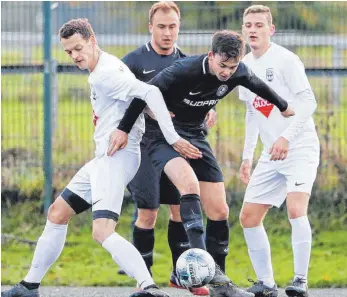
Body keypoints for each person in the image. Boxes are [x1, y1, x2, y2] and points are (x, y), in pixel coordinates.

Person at [1, 18, 202, 297]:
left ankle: (149, 287)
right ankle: (30, 286)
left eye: (79, 48)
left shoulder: (106, 73)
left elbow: (150, 91)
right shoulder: (105, 67)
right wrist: (150, 113)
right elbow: (137, 98)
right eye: (69, 52)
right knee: (57, 213)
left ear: (92, 40)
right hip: (102, 160)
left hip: (116, 159)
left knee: (102, 230)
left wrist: (172, 137)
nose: (74, 56)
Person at [113, 29, 295, 297]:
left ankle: (219, 283)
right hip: (162, 135)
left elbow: (258, 85)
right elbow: (144, 95)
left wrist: (283, 106)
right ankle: (198, 270)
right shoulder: (183, 70)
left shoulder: (238, 72)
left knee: (220, 210)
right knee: (188, 185)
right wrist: (123, 129)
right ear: (211, 56)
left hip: (195, 135)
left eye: (232, 67)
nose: (227, 73)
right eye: (222, 65)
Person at [121, 2, 213, 295]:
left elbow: (201, 99)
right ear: (151, 27)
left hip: (175, 146)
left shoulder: (187, 63)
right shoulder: (133, 62)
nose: (167, 32)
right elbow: (119, 104)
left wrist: (209, 111)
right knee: (147, 213)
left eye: (172, 26)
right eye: (161, 26)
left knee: (179, 209)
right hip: (143, 145)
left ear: (179, 27)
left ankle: (180, 275)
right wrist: (147, 110)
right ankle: (144, 281)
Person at [238, 5, 319, 297]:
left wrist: (285, 137)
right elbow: (251, 113)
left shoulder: (286, 60)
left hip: (298, 147)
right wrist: (247, 156)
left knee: (296, 209)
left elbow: (309, 103)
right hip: (270, 154)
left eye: (259, 25)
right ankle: (266, 283)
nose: (253, 29)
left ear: (271, 30)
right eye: (248, 25)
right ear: (243, 30)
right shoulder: (243, 65)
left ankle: (300, 280)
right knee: (248, 217)